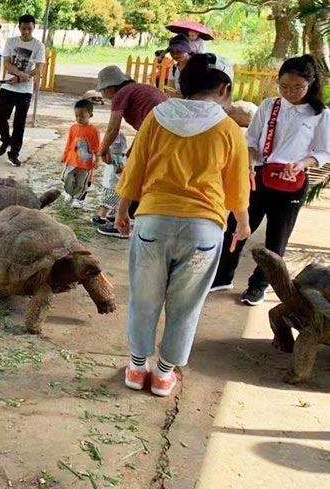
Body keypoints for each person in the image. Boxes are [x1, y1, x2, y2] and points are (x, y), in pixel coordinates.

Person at [115, 54, 250, 397]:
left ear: (180, 85)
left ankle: (136, 368)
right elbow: (236, 186)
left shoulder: (156, 118)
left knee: (144, 298)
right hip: (203, 229)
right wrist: (243, 223)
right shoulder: (228, 128)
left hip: (152, 221)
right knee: (186, 304)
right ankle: (163, 374)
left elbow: (135, 169)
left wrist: (122, 208)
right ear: (225, 89)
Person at [211, 55, 330, 305]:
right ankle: (223, 275)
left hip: (292, 183)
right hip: (259, 177)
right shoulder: (269, 106)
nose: (290, 92)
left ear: (311, 84)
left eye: (297, 87)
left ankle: (260, 285)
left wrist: (300, 165)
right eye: (284, 86)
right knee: (237, 227)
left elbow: (323, 152)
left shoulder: (320, 114)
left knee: (277, 239)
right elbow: (251, 140)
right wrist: (251, 158)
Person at [95, 65, 169, 236]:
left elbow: (113, 129)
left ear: (111, 87)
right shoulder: (140, 89)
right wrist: (131, 151)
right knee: (142, 173)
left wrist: (102, 149)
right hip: (166, 132)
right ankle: (138, 217)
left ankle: (120, 222)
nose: (104, 95)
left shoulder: (121, 95)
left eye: (103, 91)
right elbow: (146, 125)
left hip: (157, 132)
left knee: (132, 174)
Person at [0, 14, 46, 167]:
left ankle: (14, 153)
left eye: (29, 29)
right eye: (23, 28)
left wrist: (22, 78)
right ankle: (6, 140)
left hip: (25, 90)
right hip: (8, 86)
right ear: (19, 27)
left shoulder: (38, 46)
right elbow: (7, 63)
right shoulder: (11, 42)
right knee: (0, 117)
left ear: (33, 28)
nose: (26, 32)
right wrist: (19, 74)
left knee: (19, 122)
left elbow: (38, 68)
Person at [62, 99, 101, 208]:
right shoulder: (73, 128)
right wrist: (65, 155)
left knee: (81, 182)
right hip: (72, 160)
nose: (79, 118)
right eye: (77, 116)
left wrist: (97, 160)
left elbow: (97, 147)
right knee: (67, 177)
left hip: (85, 163)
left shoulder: (94, 131)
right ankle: (70, 193)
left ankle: (79, 199)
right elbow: (69, 142)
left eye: (82, 116)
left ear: (90, 115)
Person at [93, 132, 128, 229]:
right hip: (113, 185)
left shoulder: (119, 157)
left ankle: (111, 216)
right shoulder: (117, 158)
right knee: (109, 202)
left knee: (113, 202)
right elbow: (119, 171)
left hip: (111, 184)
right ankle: (100, 216)